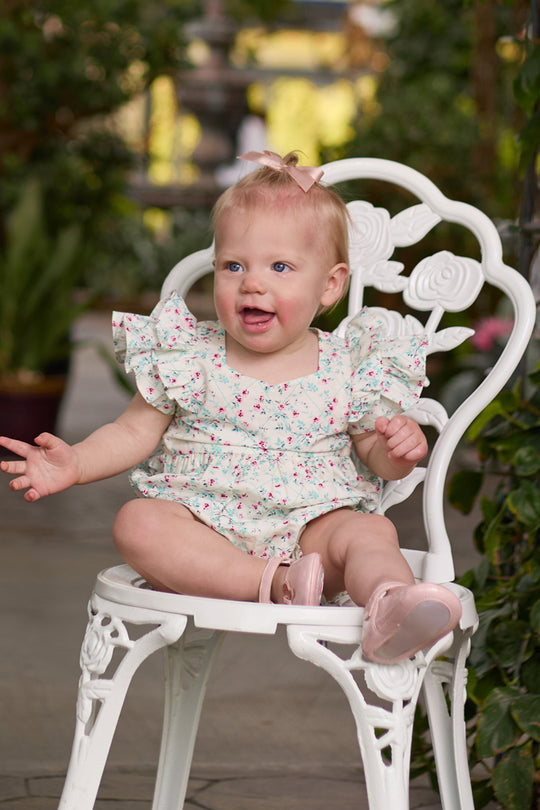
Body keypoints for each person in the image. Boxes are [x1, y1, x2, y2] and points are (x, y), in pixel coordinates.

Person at [0, 150, 461, 664]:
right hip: (202, 530)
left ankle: (390, 607)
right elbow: (133, 432)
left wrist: (399, 450)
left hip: (314, 530)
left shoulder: (348, 363)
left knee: (371, 532)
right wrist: (78, 462)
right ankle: (275, 584)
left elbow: (374, 450)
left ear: (330, 285)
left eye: (280, 266)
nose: (252, 283)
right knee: (137, 523)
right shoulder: (188, 355)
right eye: (233, 265)